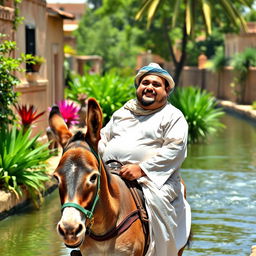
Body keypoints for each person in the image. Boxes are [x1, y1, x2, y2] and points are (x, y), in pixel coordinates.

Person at [99, 63, 191, 256]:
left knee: (158, 204)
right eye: (145, 82)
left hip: (153, 180)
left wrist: (142, 169)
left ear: (166, 90)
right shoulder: (122, 112)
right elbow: (103, 138)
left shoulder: (173, 116)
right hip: (112, 173)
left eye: (156, 84)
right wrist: (105, 163)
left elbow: (175, 149)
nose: (149, 87)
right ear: (138, 87)